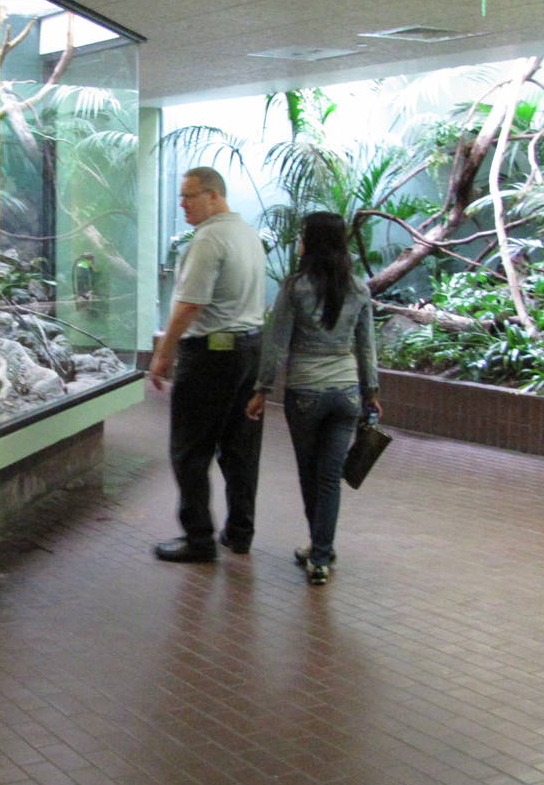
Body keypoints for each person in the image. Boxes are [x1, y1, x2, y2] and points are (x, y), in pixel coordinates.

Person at [246, 212, 381, 587]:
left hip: (305, 393)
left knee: (311, 474)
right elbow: (367, 347)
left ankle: (320, 550)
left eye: (303, 236)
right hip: (346, 394)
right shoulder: (359, 289)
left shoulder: (296, 287)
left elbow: (276, 343)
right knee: (329, 479)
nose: (299, 242)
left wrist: (261, 390)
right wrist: (371, 392)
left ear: (313, 242)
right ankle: (321, 551)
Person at [148, 166, 267, 562]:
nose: (182, 204)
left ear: (214, 195)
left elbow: (191, 303)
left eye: (189, 195)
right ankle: (239, 532)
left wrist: (165, 352)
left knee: (190, 450)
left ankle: (199, 539)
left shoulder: (210, 238)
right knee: (239, 450)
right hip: (249, 352)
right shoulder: (248, 235)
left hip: (212, 357)